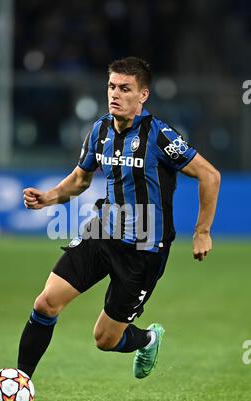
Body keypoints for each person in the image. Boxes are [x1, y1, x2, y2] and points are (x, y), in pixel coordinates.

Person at [18, 56, 221, 380]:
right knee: (46, 304)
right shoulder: (100, 130)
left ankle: (148, 338)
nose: (115, 94)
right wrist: (49, 197)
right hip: (102, 233)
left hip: (144, 250)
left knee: (105, 339)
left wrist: (202, 231)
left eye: (125, 88)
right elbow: (80, 179)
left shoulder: (160, 136)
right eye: (112, 86)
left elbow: (210, 175)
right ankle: (20, 382)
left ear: (143, 95)